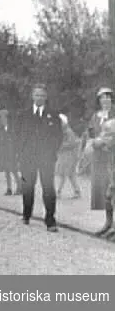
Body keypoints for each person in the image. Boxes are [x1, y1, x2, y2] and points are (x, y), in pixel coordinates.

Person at [15, 84, 63, 232]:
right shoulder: (24, 114)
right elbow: (17, 135)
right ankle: (26, 214)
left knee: (48, 188)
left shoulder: (53, 115)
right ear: (32, 96)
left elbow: (58, 136)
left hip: (46, 158)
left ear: (46, 97)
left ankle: (50, 220)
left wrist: (51, 151)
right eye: (37, 95)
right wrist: (21, 152)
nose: (39, 98)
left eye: (42, 95)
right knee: (28, 186)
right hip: (28, 157)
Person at [88, 87, 115, 236]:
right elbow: (90, 133)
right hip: (99, 157)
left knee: (113, 189)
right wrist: (93, 142)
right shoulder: (95, 116)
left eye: (108, 97)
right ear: (98, 101)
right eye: (102, 97)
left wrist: (106, 143)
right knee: (104, 191)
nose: (105, 100)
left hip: (112, 155)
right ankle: (108, 222)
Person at [55, 114, 82, 199]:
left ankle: (58, 192)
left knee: (64, 174)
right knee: (70, 174)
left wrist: (60, 146)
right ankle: (77, 191)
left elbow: (71, 143)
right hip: (67, 155)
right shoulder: (64, 131)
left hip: (69, 156)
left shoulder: (68, 132)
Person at [0, 108, 21, 196]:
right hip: (4, 151)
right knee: (6, 170)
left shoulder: (12, 128)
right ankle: (9, 188)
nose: (0, 119)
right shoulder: (1, 128)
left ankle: (19, 186)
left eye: (1, 117)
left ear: (6, 118)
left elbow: (16, 140)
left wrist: (16, 152)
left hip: (12, 151)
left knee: (14, 170)